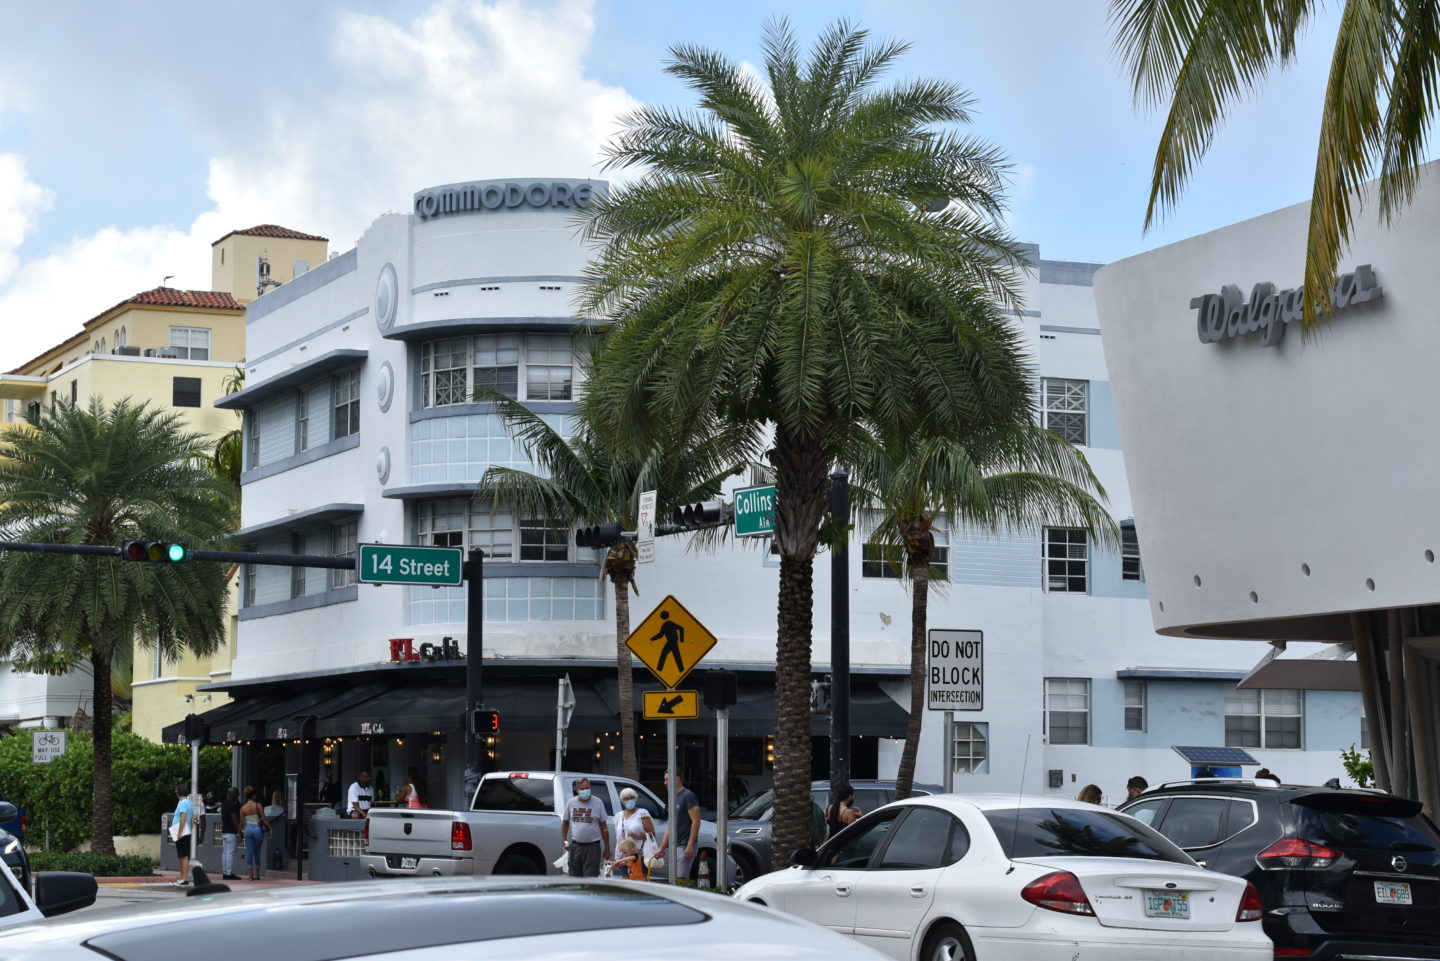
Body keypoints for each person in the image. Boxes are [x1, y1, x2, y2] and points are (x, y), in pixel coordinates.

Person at [560, 777, 610, 877]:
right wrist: (565, 841)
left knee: (590, 879)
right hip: (575, 847)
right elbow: (565, 822)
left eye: (587, 788)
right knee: (575, 878)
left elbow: (603, 827)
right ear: (577, 790)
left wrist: (607, 847)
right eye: (582, 789)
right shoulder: (571, 803)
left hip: (592, 848)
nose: (585, 791)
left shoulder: (598, 802)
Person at [656, 770, 701, 881]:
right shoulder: (673, 798)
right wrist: (661, 848)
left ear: (677, 779)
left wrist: (690, 844)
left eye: (667, 779)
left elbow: (696, 821)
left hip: (684, 844)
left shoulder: (688, 795)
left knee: (681, 879)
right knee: (674, 880)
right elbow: (670, 825)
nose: (665, 782)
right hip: (675, 845)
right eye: (664, 779)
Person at [239, 786, 272, 882]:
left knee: (249, 852)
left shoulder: (243, 808)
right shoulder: (258, 805)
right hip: (257, 829)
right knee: (257, 852)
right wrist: (270, 829)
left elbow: (241, 823)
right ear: (253, 796)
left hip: (248, 829)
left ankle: (250, 875)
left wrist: (239, 833)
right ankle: (257, 874)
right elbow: (264, 819)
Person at [614, 787, 656, 858]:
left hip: (639, 855)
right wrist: (618, 857)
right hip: (624, 857)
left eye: (632, 798)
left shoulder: (642, 813)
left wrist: (637, 836)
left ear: (635, 798)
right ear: (622, 801)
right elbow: (617, 838)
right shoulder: (619, 816)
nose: (629, 800)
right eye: (626, 798)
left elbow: (652, 834)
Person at [171, 783, 195, 888]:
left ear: (179, 793)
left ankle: (184, 879)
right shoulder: (189, 803)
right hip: (186, 831)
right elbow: (193, 819)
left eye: (176, 792)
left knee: (183, 856)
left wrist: (180, 832)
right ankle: (181, 878)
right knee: (181, 856)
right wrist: (189, 829)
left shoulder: (183, 803)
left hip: (182, 833)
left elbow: (183, 818)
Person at [219, 786, 241, 880]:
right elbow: (234, 818)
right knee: (230, 853)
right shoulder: (233, 804)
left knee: (225, 852)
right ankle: (229, 873)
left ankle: (225, 872)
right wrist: (240, 831)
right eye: (237, 793)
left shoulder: (224, 803)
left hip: (224, 831)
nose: (239, 795)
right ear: (234, 794)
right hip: (231, 832)